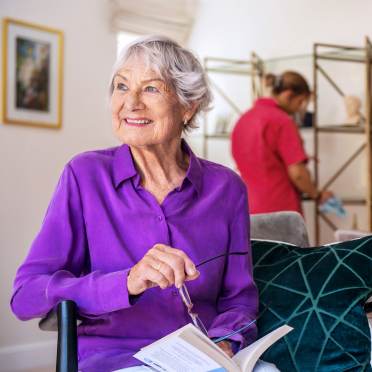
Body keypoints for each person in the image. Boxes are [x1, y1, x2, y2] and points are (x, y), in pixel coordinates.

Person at [10, 36, 277, 372]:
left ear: (188, 105)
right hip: (115, 358)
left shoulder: (227, 188)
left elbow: (239, 296)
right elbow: (25, 296)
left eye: (150, 89)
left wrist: (226, 342)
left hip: (205, 357)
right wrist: (126, 282)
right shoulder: (85, 176)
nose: (130, 103)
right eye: (121, 86)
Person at [231, 71, 332, 215]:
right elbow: (297, 174)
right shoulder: (282, 121)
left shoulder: (244, 119)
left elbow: (257, 158)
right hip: (280, 209)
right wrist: (317, 194)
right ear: (288, 95)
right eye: (300, 102)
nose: (299, 108)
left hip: (246, 208)